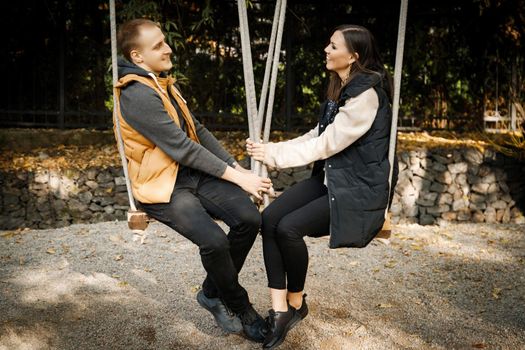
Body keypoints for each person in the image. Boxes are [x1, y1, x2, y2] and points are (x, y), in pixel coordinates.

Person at [114, 19, 271, 342]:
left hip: (190, 175)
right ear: (137, 56)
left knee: (248, 218)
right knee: (213, 241)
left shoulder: (162, 84)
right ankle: (241, 307)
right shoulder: (136, 94)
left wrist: (238, 170)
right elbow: (183, 149)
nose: (168, 48)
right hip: (163, 184)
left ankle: (211, 293)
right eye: (158, 45)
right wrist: (239, 180)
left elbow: (197, 131)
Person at [246, 24, 399, 349]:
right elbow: (317, 134)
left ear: (353, 56)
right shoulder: (344, 88)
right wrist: (270, 148)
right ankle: (279, 311)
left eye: (333, 46)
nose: (326, 50)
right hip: (335, 178)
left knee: (288, 228)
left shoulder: (366, 96)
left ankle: (296, 302)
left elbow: (325, 145)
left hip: (358, 190)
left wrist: (273, 155)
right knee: (269, 220)